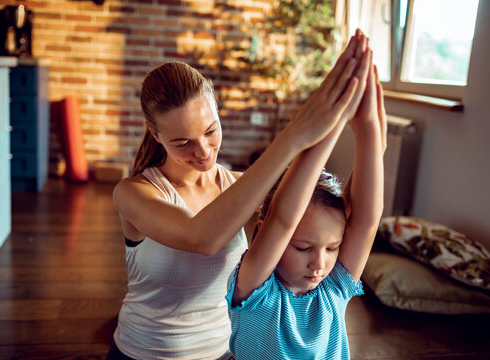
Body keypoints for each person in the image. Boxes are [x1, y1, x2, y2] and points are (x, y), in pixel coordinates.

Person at [109, 30, 371, 359]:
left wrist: (349, 119)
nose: (203, 151)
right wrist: (296, 133)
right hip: (143, 353)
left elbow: (303, 206)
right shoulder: (133, 194)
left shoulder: (240, 187)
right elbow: (202, 237)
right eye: (182, 142)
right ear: (156, 135)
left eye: (210, 130)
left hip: (226, 353)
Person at [225, 32, 387, 359]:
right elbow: (283, 218)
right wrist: (334, 119)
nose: (320, 263)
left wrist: (368, 124)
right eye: (303, 247)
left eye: (332, 248)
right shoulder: (255, 290)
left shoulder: (333, 288)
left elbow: (368, 219)